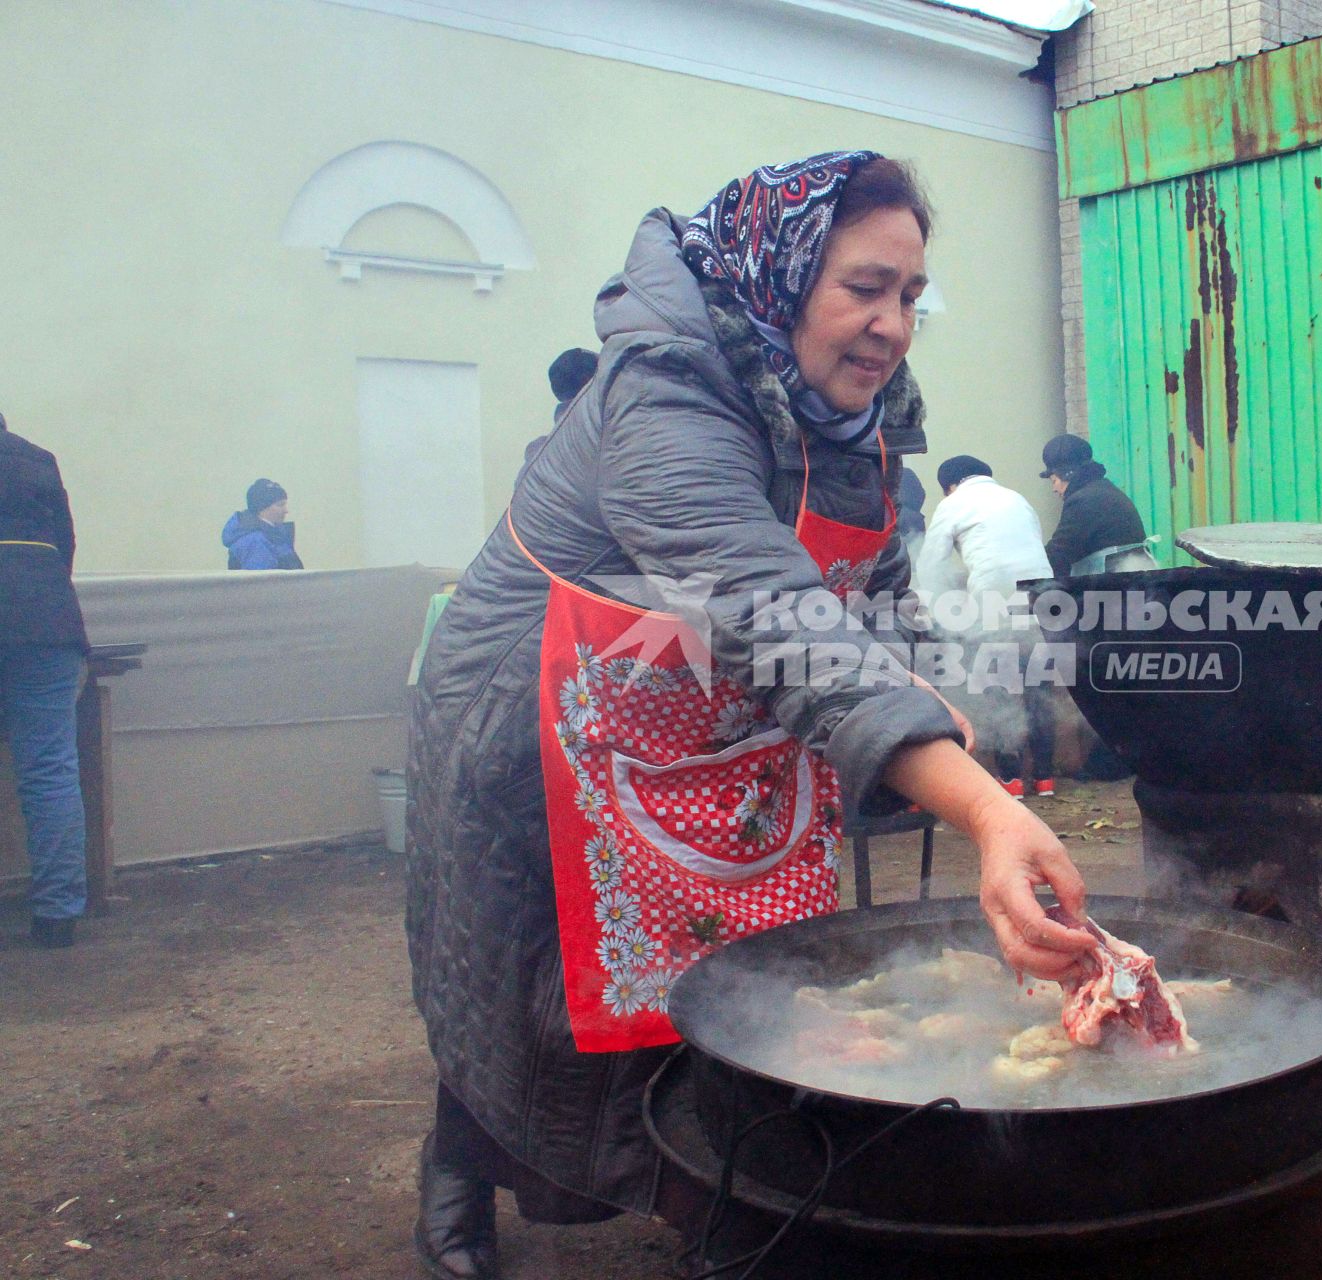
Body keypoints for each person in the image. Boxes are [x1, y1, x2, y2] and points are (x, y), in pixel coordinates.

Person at [405, 152, 1093, 1280]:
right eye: (864, 287)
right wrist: (976, 808)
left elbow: (867, 599)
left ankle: (720, 1208)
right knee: (538, 987)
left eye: (912, 296)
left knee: (741, 977)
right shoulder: (663, 392)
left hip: (714, 720)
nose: (891, 324)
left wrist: (951, 708)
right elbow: (769, 606)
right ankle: (456, 1178)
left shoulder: (858, 419)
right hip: (542, 716)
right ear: (780, 278)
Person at [0, 412, 90, 948]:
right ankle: (57, 916)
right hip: (46, 622)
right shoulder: (38, 460)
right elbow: (66, 549)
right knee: (50, 770)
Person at [916, 455, 1056, 798]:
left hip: (994, 599)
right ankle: (1045, 778)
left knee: (998, 686)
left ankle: (1010, 780)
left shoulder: (953, 504)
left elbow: (931, 566)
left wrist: (937, 612)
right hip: (1041, 597)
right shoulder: (1017, 499)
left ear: (949, 485)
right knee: (1036, 683)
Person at [1039, 433, 1147, 578]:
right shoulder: (1103, 490)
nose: (1054, 489)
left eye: (1054, 480)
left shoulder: (1083, 502)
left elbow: (1059, 554)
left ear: (1068, 474)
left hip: (1115, 589)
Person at [222, 479, 303, 570]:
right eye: (280, 505)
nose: (286, 510)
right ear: (262, 508)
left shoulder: (273, 537)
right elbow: (262, 582)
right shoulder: (254, 541)